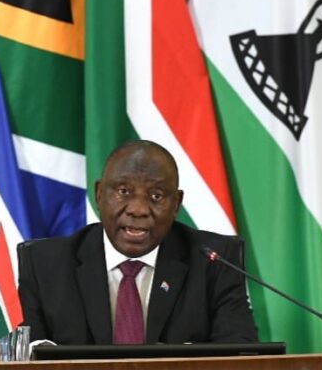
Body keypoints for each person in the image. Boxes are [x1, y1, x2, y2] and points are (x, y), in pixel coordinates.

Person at [18, 139, 259, 344]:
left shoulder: (214, 262)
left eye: (156, 196)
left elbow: (239, 358)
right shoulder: (45, 266)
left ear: (176, 204)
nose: (139, 209)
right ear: (100, 194)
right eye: (123, 191)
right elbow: (25, 365)